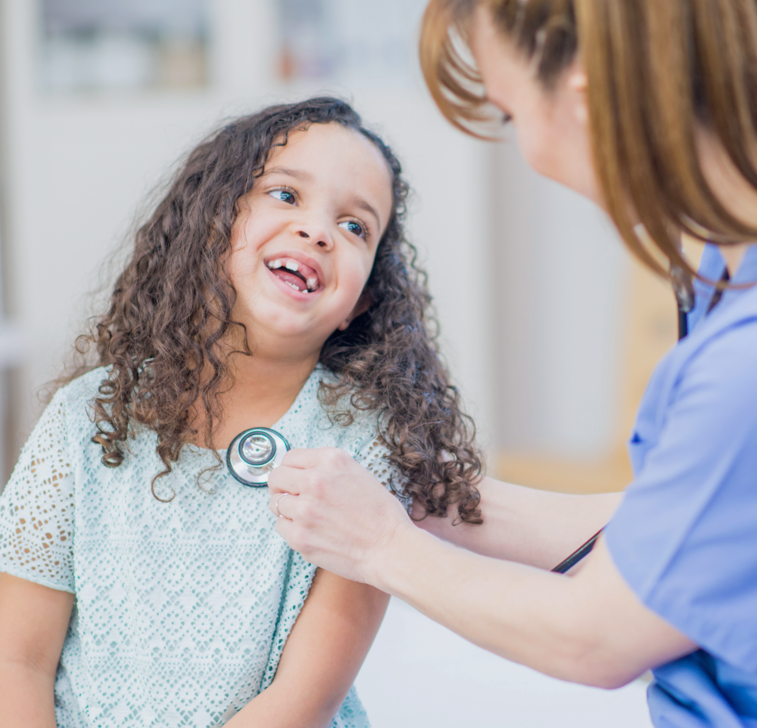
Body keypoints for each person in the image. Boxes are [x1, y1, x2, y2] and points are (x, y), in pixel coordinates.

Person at [266, 2, 757, 727]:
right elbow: (695, 516)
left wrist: (382, 545)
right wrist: (420, 495)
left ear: (589, 100)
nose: (529, 152)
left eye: (511, 116)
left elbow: (596, 635)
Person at [0, 97, 483, 727]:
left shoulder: (361, 451)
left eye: (356, 226)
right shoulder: (84, 419)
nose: (317, 230)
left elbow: (305, 699)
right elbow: (18, 661)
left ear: (360, 305)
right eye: (285, 195)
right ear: (210, 221)